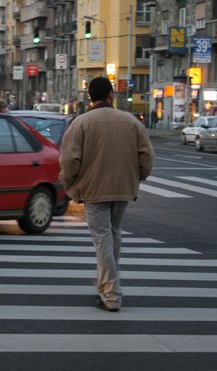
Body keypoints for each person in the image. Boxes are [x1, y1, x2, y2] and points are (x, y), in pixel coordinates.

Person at [59, 77, 154, 312]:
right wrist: (137, 177)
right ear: (111, 95)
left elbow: (70, 160)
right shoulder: (131, 122)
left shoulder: (81, 123)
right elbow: (147, 158)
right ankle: (104, 285)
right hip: (123, 189)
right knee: (113, 235)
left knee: (102, 239)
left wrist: (68, 182)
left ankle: (111, 294)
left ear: (90, 97)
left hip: (93, 191)